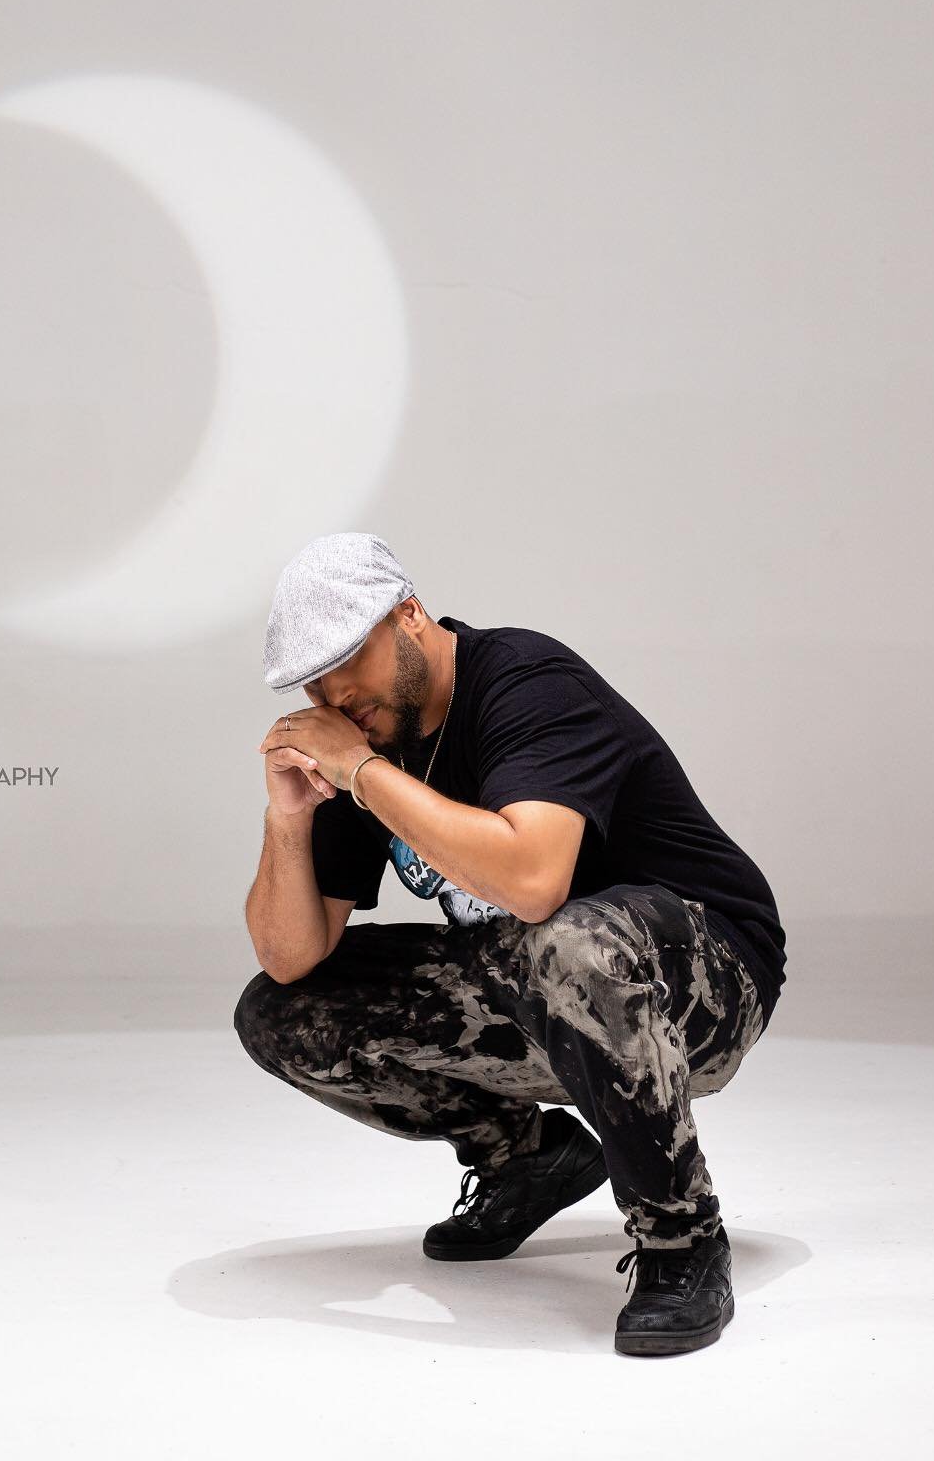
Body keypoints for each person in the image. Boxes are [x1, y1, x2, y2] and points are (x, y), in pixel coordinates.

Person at [235, 532, 785, 1356]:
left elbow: (534, 883)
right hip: (546, 980)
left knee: (570, 943)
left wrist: (363, 776)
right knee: (280, 1011)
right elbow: (290, 956)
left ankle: (682, 1241)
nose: (333, 692)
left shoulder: (526, 683)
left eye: (348, 658)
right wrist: (288, 816)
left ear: (409, 615)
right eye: (313, 678)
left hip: (704, 976)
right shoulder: (365, 736)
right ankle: (525, 1161)